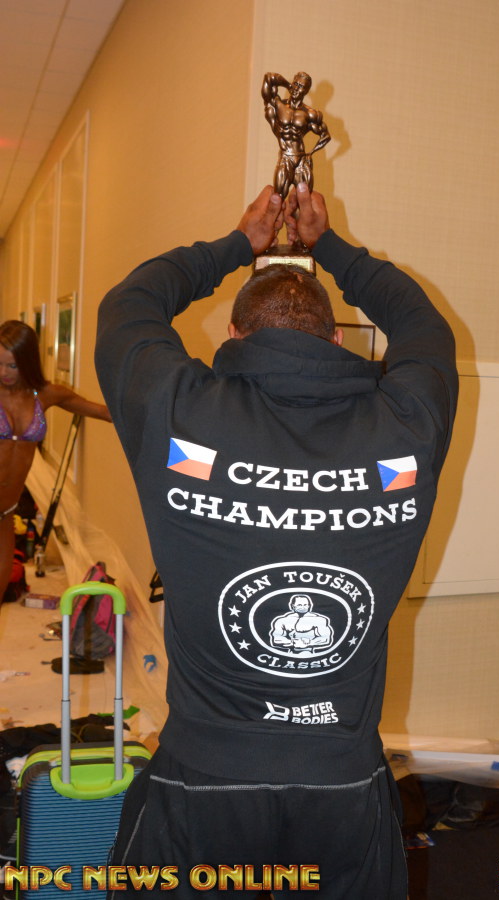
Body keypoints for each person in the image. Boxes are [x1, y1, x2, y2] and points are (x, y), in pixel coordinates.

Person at [95, 184, 458, 899]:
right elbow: (423, 325)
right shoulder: (406, 426)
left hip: (202, 785)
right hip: (341, 790)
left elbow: (129, 305)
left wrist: (239, 243)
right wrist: (334, 248)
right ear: (336, 340)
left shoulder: (178, 411)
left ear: (235, 337)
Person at [0, 320, 111, 605]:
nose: (4, 373)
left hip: (6, 515)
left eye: (12, 365)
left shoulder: (45, 395)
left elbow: (104, 413)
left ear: (28, 362)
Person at [262, 72, 331, 199]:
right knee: (278, 197)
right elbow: (269, 78)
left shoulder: (310, 114)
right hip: (285, 157)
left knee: (305, 199)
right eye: (295, 84)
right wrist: (288, 85)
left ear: (306, 91)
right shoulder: (278, 105)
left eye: (301, 87)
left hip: (301, 160)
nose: (296, 88)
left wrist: (311, 153)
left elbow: (325, 136)